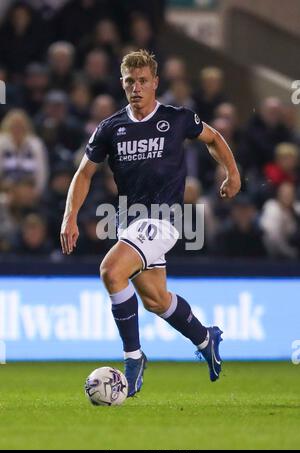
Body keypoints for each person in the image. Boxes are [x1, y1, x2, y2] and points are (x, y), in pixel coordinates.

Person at [60, 50, 241, 397]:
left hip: (164, 218)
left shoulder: (177, 118)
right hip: (129, 221)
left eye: (143, 81)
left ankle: (134, 358)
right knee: (156, 300)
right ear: (122, 84)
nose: (137, 88)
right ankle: (206, 338)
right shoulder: (110, 127)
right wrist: (70, 215)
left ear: (155, 83)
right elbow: (84, 173)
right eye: (130, 81)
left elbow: (215, 139)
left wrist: (232, 173)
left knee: (111, 272)